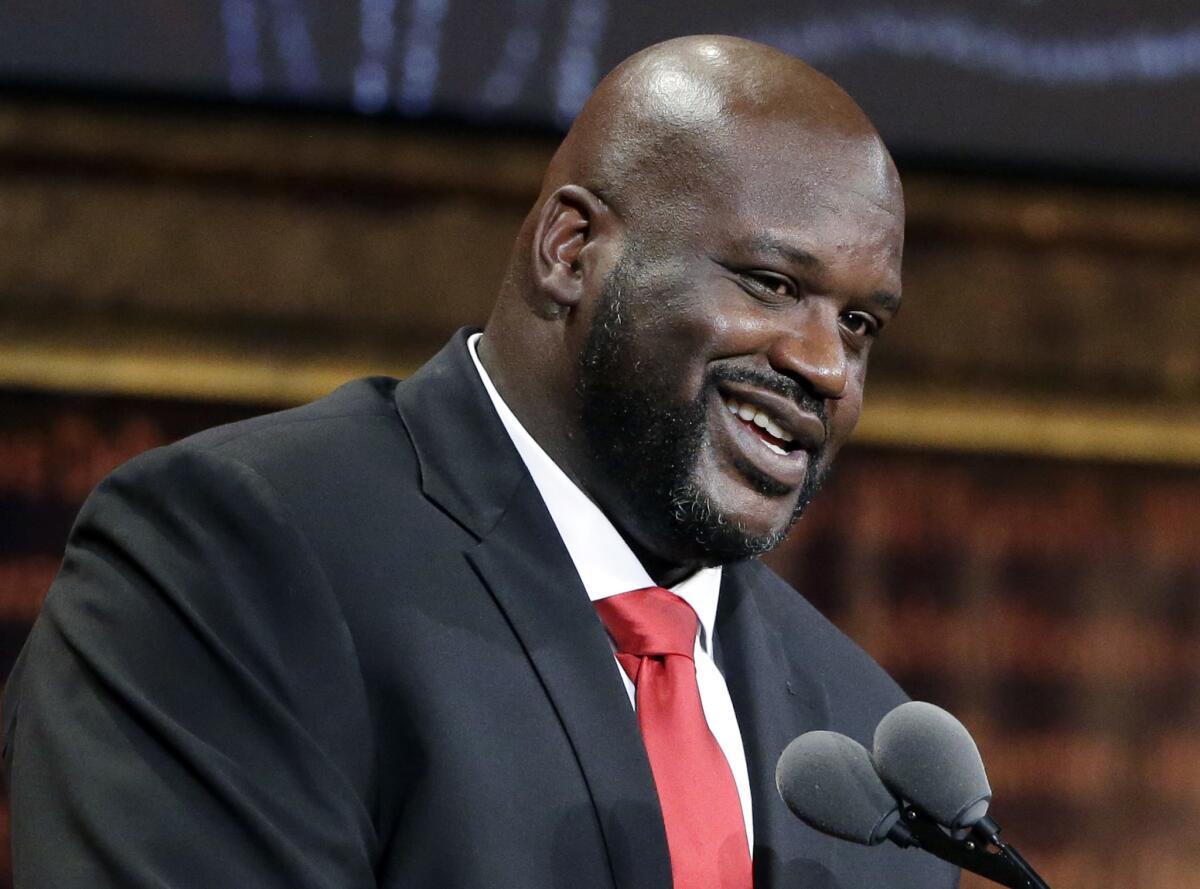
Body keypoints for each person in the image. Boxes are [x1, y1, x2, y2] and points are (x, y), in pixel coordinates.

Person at [4, 35, 957, 889]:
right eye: (772, 283)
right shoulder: (235, 557)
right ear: (571, 250)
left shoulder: (864, 746)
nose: (823, 364)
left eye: (860, 324)